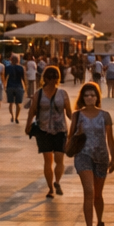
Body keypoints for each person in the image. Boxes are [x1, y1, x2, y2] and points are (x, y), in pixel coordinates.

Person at [67, 82, 114, 226]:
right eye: (86, 95)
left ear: (97, 97)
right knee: (89, 191)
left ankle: (99, 222)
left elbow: (110, 139)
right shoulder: (77, 115)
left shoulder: (105, 116)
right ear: (82, 97)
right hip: (83, 156)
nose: (89, 98)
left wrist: (113, 159)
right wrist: (77, 134)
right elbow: (70, 138)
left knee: (97, 195)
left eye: (92, 95)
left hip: (101, 156)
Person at [28, 65, 71, 199]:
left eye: (56, 77)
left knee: (59, 159)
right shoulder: (39, 94)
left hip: (60, 130)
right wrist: (28, 124)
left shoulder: (63, 94)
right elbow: (33, 110)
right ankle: (50, 189)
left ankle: (57, 182)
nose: (53, 79)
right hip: (43, 130)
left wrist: (77, 125)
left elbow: (69, 112)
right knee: (48, 160)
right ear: (45, 78)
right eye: (51, 77)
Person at [5, 55, 25, 125]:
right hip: (19, 86)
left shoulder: (8, 68)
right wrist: (25, 87)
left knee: (10, 103)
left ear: (11, 60)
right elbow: (23, 78)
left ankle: (12, 116)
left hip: (10, 86)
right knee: (18, 104)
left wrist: (5, 86)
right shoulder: (21, 68)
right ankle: (17, 117)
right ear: (18, 60)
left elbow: (5, 77)